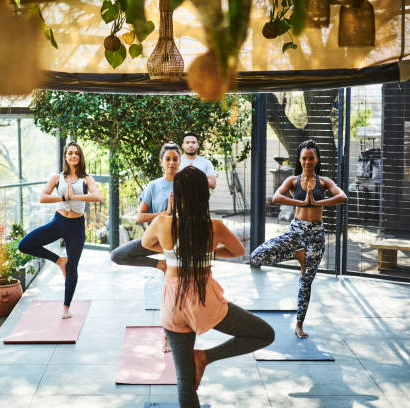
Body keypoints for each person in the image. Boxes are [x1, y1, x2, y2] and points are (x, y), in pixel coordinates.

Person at [141, 166, 274, 408]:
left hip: (173, 305)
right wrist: (207, 251)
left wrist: (170, 245)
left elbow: (146, 244)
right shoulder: (215, 226)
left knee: (184, 380)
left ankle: (199, 361)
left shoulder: (162, 222)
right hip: (205, 302)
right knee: (265, 333)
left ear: (176, 194)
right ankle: (205, 357)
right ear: (205, 195)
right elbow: (238, 251)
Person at [250, 139, 347, 338]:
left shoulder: (324, 181)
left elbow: (343, 197)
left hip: (316, 235)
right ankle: (296, 252)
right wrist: (302, 202)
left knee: (306, 281)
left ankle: (299, 324)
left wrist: (319, 201)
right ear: (300, 159)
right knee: (256, 256)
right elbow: (277, 197)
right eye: (304, 158)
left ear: (317, 159)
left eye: (311, 158)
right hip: (296, 231)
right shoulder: (293, 181)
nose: (308, 161)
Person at [19, 141, 103, 319]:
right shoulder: (57, 177)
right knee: (25, 245)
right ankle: (59, 261)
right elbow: (42, 197)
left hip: (76, 227)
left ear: (80, 157)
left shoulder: (86, 178)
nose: (73, 156)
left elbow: (98, 196)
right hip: (58, 222)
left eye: (76, 153)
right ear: (65, 156)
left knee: (73, 268)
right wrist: (64, 196)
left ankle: (66, 307)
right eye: (70, 153)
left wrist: (76, 196)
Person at [110, 141, 182, 273]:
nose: (171, 163)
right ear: (161, 162)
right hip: (157, 241)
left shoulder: (187, 185)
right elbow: (140, 217)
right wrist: (165, 213)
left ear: (180, 161)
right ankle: (162, 264)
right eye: (168, 159)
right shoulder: (153, 186)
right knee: (118, 255)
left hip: (181, 242)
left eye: (175, 159)